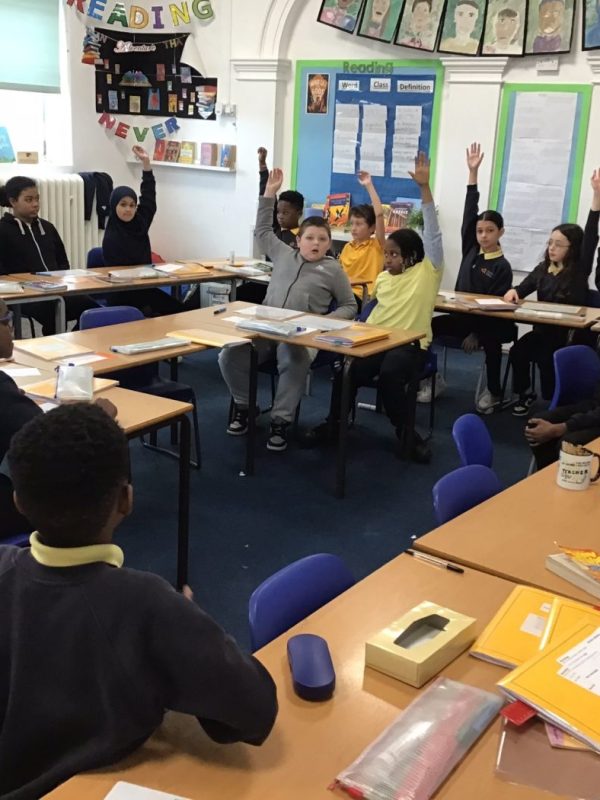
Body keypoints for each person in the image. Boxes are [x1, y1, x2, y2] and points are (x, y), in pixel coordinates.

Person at [1, 403, 278, 798]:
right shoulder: (148, 604)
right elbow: (255, 710)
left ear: (18, 502)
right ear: (126, 500)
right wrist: (191, 621)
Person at [309, 153, 444, 463]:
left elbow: (433, 232)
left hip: (410, 344)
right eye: (387, 254)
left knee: (390, 376)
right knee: (346, 370)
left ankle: (407, 436)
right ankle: (335, 424)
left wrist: (424, 188)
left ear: (412, 256)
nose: (388, 259)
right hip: (376, 339)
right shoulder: (383, 278)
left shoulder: (428, 271)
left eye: (394, 255)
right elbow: (370, 311)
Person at [219, 167, 357, 453]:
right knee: (229, 355)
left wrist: (324, 322)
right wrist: (269, 193)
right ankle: (245, 406)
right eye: (310, 238)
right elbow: (262, 230)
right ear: (298, 240)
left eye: (322, 239)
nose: (316, 243)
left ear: (329, 243)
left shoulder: (333, 270)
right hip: (266, 329)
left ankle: (280, 421)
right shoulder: (283, 253)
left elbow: (349, 305)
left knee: (293, 360)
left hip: (302, 336)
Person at [504, 167, 600, 416]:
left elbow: (590, 237)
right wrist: (514, 292)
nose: (552, 248)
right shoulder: (543, 269)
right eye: (550, 243)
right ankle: (526, 393)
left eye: (559, 244)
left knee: (549, 360)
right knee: (518, 351)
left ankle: (558, 403)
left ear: (572, 248)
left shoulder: (579, 270)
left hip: (569, 336)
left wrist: (596, 197)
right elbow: (522, 288)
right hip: (543, 331)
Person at [431, 142, 514, 414]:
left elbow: (495, 309)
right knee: (425, 327)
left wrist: (475, 333)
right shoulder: (471, 249)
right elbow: (470, 211)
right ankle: (430, 377)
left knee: (491, 343)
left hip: (489, 325)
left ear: (500, 232)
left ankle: (495, 391)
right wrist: (472, 174)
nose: (483, 235)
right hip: (461, 319)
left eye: (490, 231)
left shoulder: (502, 266)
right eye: (480, 231)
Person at [0, 176, 98, 335]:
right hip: (25, 294)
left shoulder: (47, 228)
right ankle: (54, 345)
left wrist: (59, 280)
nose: (35, 204)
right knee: (53, 311)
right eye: (29, 200)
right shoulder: (3, 230)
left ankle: (76, 340)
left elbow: (63, 262)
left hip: (55, 289)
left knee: (92, 308)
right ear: (13, 201)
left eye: (37, 199)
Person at [102, 145, 184, 317]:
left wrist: (146, 163)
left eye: (132, 205)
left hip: (145, 287)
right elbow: (119, 275)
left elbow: (149, 197)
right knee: (148, 313)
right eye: (123, 205)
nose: (128, 209)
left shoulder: (140, 223)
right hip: (122, 292)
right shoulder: (111, 236)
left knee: (180, 311)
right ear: (114, 206)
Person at [339, 171, 386, 310]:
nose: (354, 228)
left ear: (372, 228)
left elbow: (379, 215)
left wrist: (369, 186)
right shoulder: (347, 247)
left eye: (359, 224)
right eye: (352, 223)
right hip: (342, 293)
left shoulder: (377, 245)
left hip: (362, 297)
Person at [525, 390, 600, 469]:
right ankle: (546, 471)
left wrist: (564, 427)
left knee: (568, 444)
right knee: (536, 423)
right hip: (595, 403)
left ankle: (566, 474)